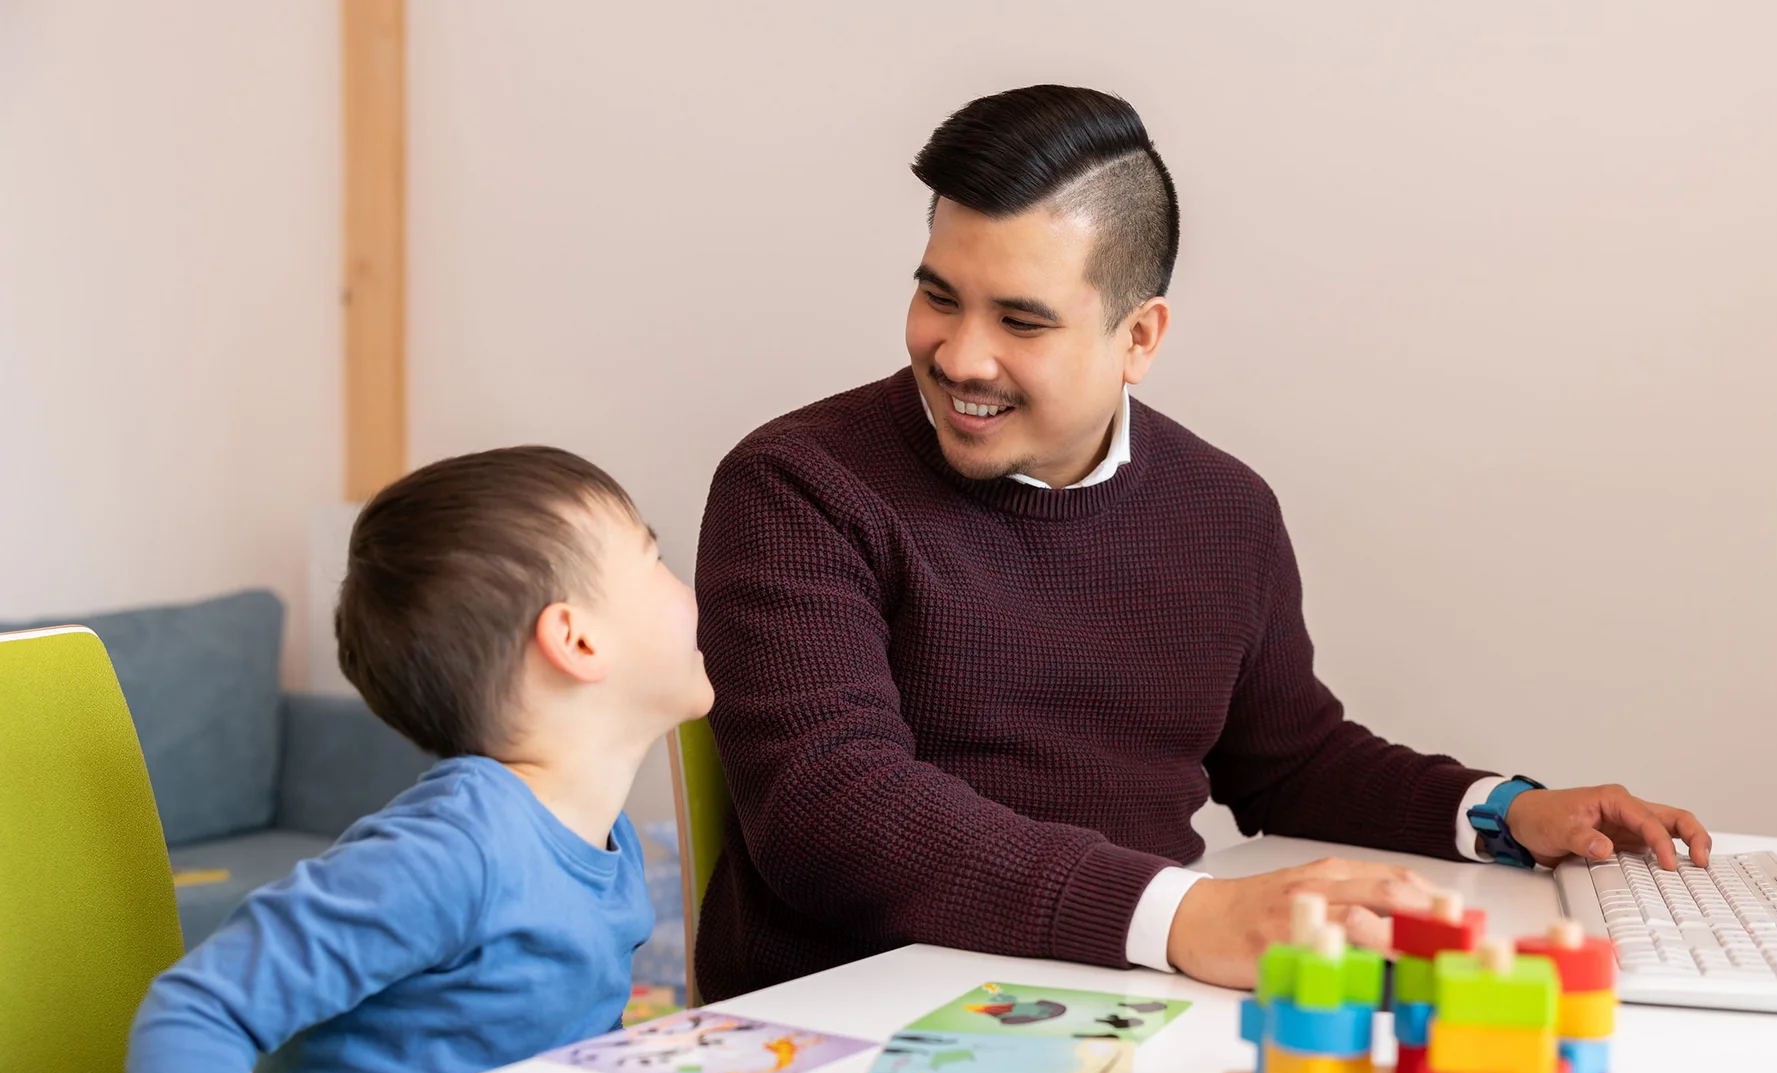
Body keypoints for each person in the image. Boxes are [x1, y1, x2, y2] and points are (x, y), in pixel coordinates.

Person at [691, 84, 1710, 1002]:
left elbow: (1290, 759)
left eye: (1022, 320)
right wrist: (1184, 917)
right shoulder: (798, 486)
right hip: (849, 1020)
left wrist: (1501, 811)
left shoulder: (1225, 511)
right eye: (940, 297)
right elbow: (831, 807)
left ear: (1140, 337)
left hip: (1123, 994)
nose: (960, 355)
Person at [123, 446, 712, 1073]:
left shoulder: (601, 836)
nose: (688, 585)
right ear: (576, 638)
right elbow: (200, 1006)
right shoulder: (457, 847)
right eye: (654, 556)